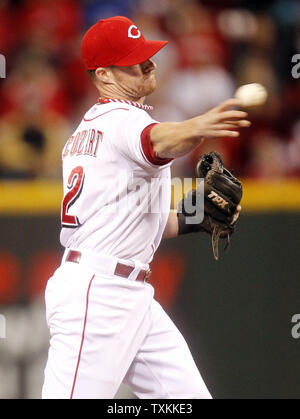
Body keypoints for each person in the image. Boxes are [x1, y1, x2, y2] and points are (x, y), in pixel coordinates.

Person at [42, 16, 249, 399]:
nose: (149, 64)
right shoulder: (123, 119)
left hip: (126, 291)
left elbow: (138, 220)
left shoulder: (89, 129)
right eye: (134, 61)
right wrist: (199, 124)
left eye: (147, 55)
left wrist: (197, 216)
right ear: (104, 75)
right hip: (99, 294)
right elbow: (157, 140)